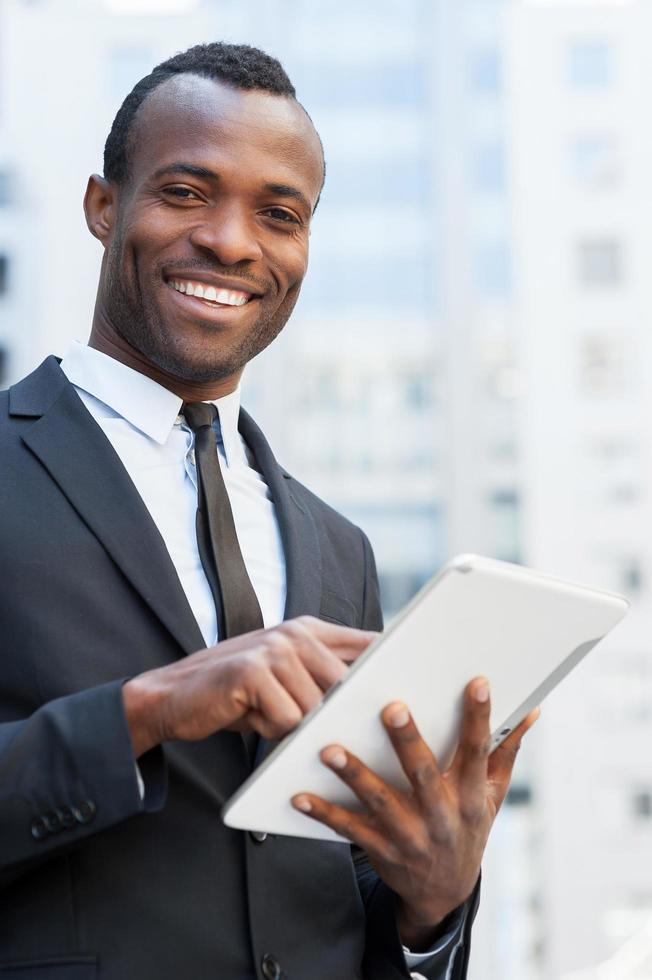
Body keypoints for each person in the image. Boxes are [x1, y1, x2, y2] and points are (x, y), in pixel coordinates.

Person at [0, 42, 537, 980]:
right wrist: (149, 710)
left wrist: (434, 905)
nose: (233, 242)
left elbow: (333, 887)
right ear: (102, 205)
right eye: (187, 192)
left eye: (278, 215)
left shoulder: (341, 548)